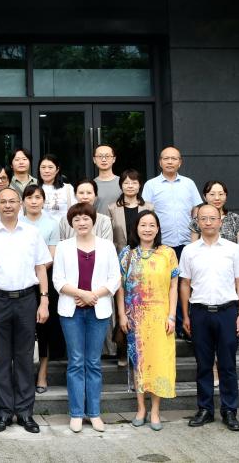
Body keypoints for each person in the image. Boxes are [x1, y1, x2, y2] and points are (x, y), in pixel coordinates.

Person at [0, 187, 51, 434]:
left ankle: (25, 412)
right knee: (1, 358)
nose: (8, 205)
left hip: (27, 299)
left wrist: (44, 301)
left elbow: (41, 268)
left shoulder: (32, 233)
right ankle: (4, 412)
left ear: (20, 204)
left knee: (24, 357)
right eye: (3, 202)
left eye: (12, 201)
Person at [179, 203, 239, 432]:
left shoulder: (233, 249)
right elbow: (185, 284)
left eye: (212, 218)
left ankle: (229, 411)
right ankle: (205, 409)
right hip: (199, 312)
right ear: (197, 222)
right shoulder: (189, 251)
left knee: (228, 365)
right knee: (203, 364)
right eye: (203, 218)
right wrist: (185, 315)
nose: (208, 222)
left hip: (228, 312)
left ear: (221, 221)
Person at [53, 202, 121, 433]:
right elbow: (58, 280)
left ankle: (94, 413)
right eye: (76, 219)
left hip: (98, 309)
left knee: (93, 362)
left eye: (85, 218)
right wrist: (82, 294)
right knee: (75, 361)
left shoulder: (107, 246)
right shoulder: (63, 247)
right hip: (71, 310)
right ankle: (76, 413)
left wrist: (93, 296)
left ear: (93, 221)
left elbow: (114, 278)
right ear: (71, 223)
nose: (81, 223)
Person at [117, 210, 178, 431]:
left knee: (159, 362)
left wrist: (172, 316)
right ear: (136, 228)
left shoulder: (168, 253)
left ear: (158, 228)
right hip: (135, 317)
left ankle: (155, 411)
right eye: (143, 224)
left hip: (161, 316)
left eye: (152, 225)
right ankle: (141, 408)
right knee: (139, 363)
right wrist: (122, 315)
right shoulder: (127, 254)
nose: (147, 229)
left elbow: (173, 286)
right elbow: (120, 287)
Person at [107, 169, 154, 365]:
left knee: (141, 303)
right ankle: (122, 348)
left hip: (144, 259)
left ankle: (143, 348)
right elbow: (110, 237)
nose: (130, 186)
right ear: (121, 186)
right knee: (122, 305)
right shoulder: (112, 208)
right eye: (126, 182)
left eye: (134, 182)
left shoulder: (149, 207)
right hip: (120, 260)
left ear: (139, 185)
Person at [21, 184, 62, 395]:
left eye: (38, 197)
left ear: (44, 201)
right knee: (24, 328)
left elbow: (51, 255)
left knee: (44, 328)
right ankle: (24, 372)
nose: (34, 201)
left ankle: (43, 373)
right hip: (20, 281)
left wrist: (35, 271)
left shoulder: (52, 224)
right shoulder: (17, 222)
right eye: (29, 197)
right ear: (23, 201)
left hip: (45, 280)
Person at [37, 154, 76, 225]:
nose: (46, 171)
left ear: (57, 170)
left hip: (63, 229)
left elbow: (75, 212)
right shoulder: (35, 189)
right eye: (43, 167)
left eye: (50, 167)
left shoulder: (68, 188)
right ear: (39, 169)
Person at [92, 145, 121, 216]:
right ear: (94, 160)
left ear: (114, 159)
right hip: (98, 222)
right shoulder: (90, 185)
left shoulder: (123, 183)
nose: (104, 159)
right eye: (100, 156)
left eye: (107, 156)